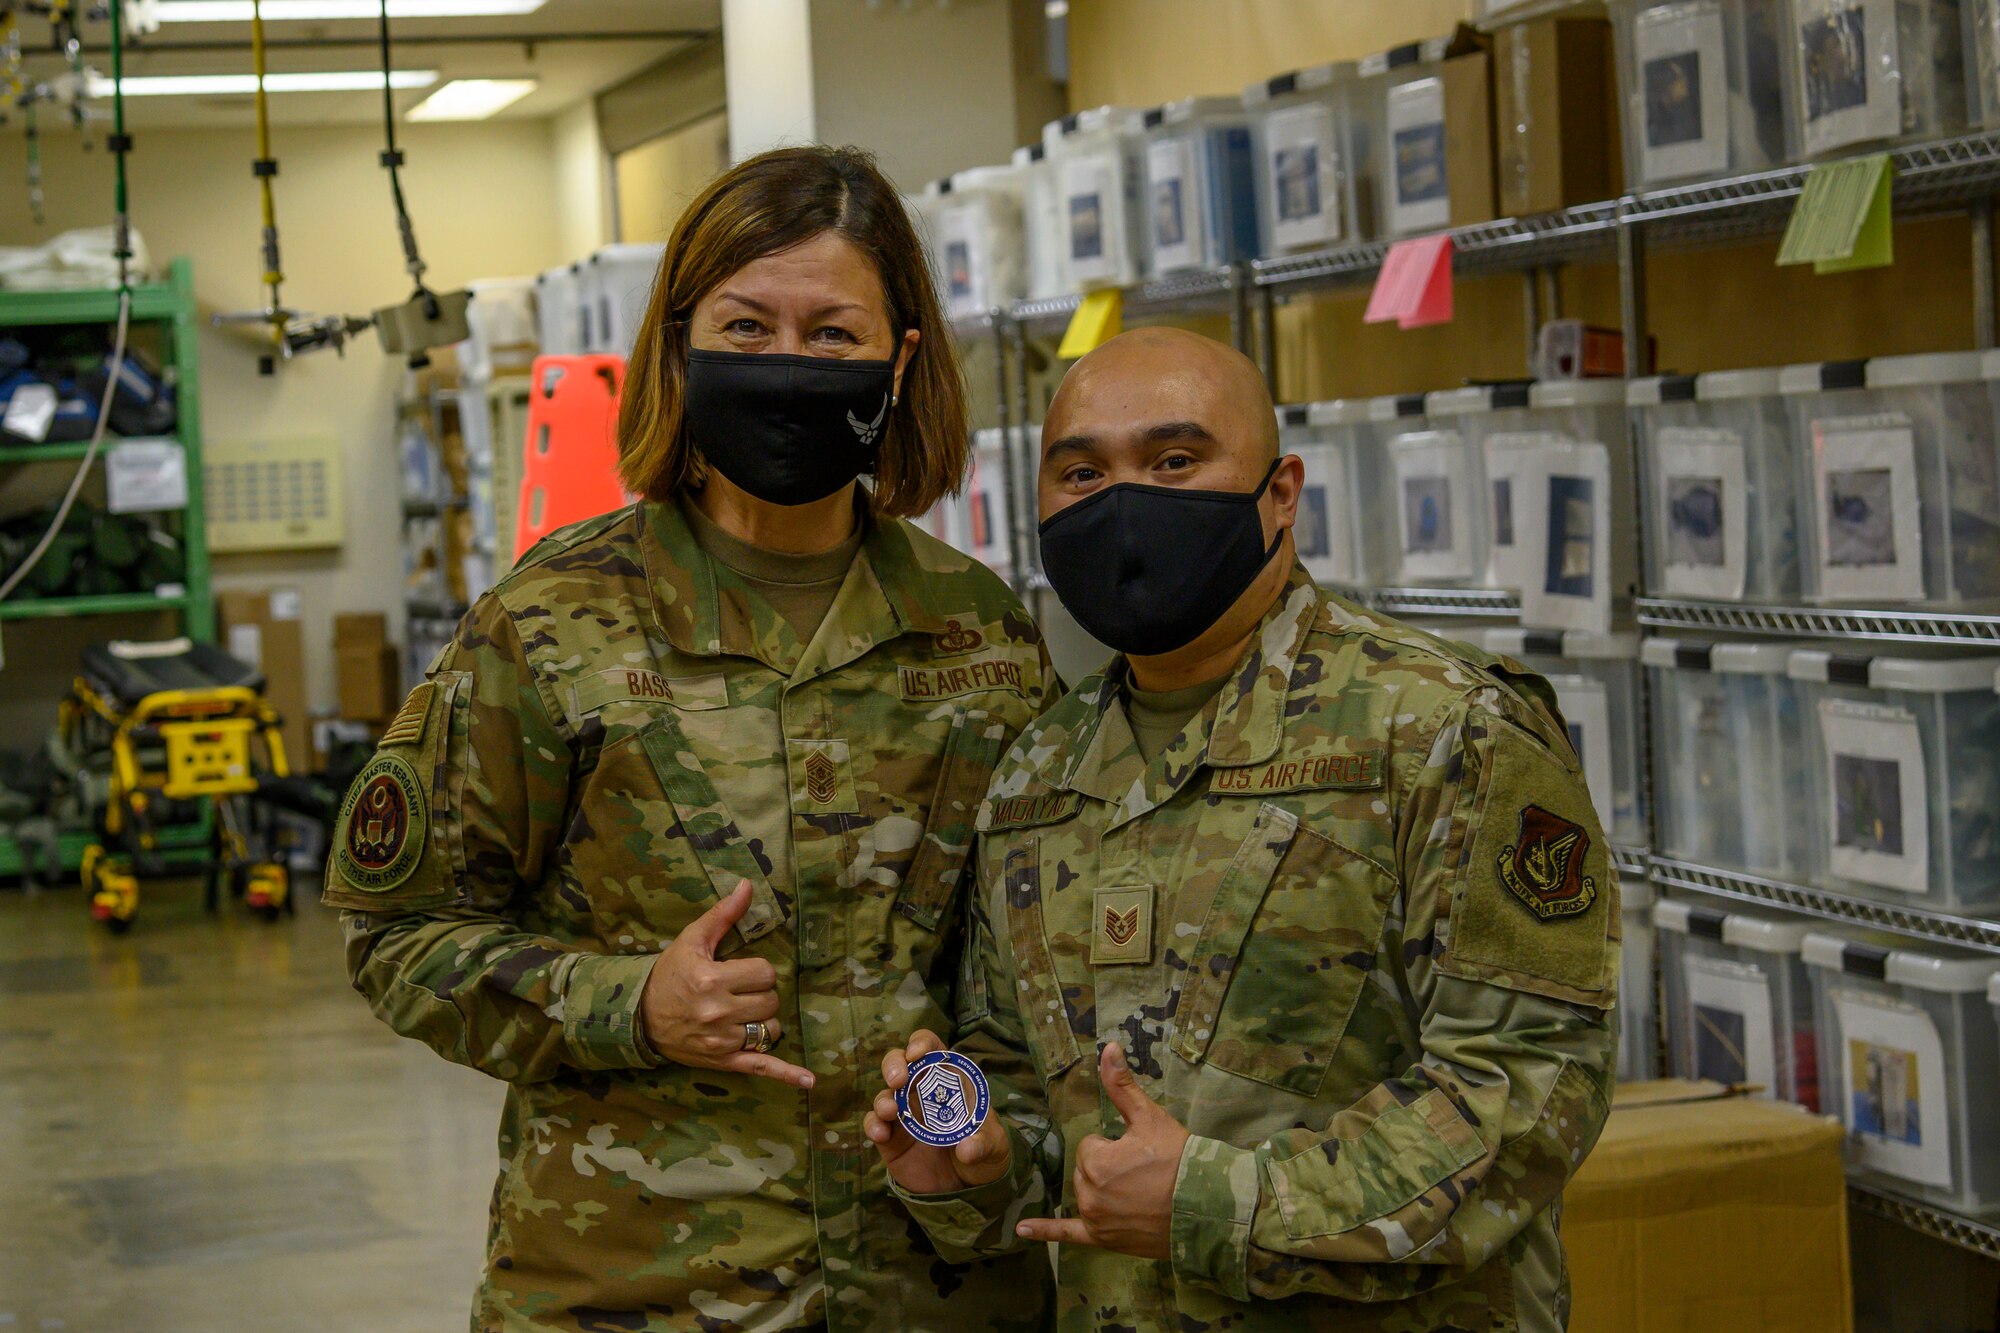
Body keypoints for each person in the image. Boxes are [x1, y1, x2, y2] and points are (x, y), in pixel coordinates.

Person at [326, 145, 1057, 1332]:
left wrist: (982, 1146)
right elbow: (397, 932)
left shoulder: (977, 636)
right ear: (679, 348)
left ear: (900, 358)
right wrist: (630, 1004)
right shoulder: (552, 623)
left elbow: (1025, 984)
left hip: (926, 1286)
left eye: (831, 335)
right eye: (745, 327)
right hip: (637, 1288)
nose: (786, 368)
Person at [866, 327, 1620, 1332]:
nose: (1123, 501)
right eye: (1081, 472)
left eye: (1174, 461)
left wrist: (1216, 1202)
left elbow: (1527, 1088)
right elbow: (1040, 1101)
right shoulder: (1037, 776)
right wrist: (969, 1165)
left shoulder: (1441, 729)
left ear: (1279, 494)